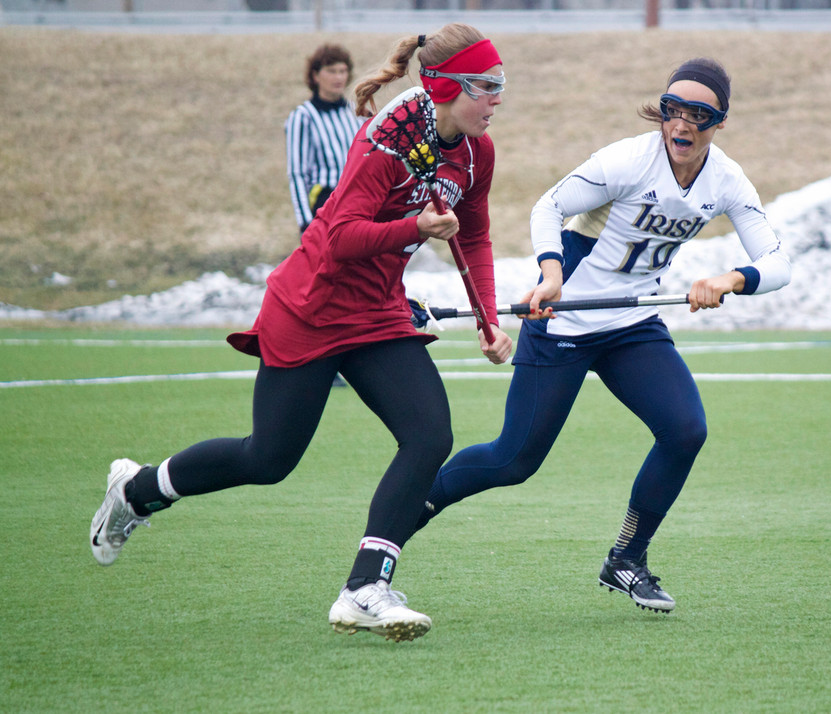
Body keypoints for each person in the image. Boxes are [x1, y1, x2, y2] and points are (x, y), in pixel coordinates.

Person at [89, 23, 514, 643]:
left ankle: (365, 588)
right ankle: (137, 488)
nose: (498, 98)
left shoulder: (477, 150)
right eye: (487, 86)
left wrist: (487, 317)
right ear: (448, 86)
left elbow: (471, 232)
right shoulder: (385, 140)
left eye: (503, 84)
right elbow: (340, 236)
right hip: (312, 304)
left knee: (429, 435)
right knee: (268, 459)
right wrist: (414, 230)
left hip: (376, 311)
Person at [413, 58, 791, 613]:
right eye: (672, 112)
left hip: (632, 325)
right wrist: (550, 273)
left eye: (697, 116)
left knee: (685, 430)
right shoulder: (627, 161)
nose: (681, 126)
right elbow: (550, 206)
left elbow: (778, 262)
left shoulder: (726, 182)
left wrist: (731, 279)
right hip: (561, 319)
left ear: (719, 123)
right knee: (512, 461)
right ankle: (399, 518)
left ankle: (627, 560)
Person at [285, 42, 364, 235]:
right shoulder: (303, 116)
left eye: (343, 71)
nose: (338, 77)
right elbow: (297, 175)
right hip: (327, 203)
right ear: (315, 75)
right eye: (331, 71)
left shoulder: (357, 111)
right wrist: (306, 224)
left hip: (361, 201)